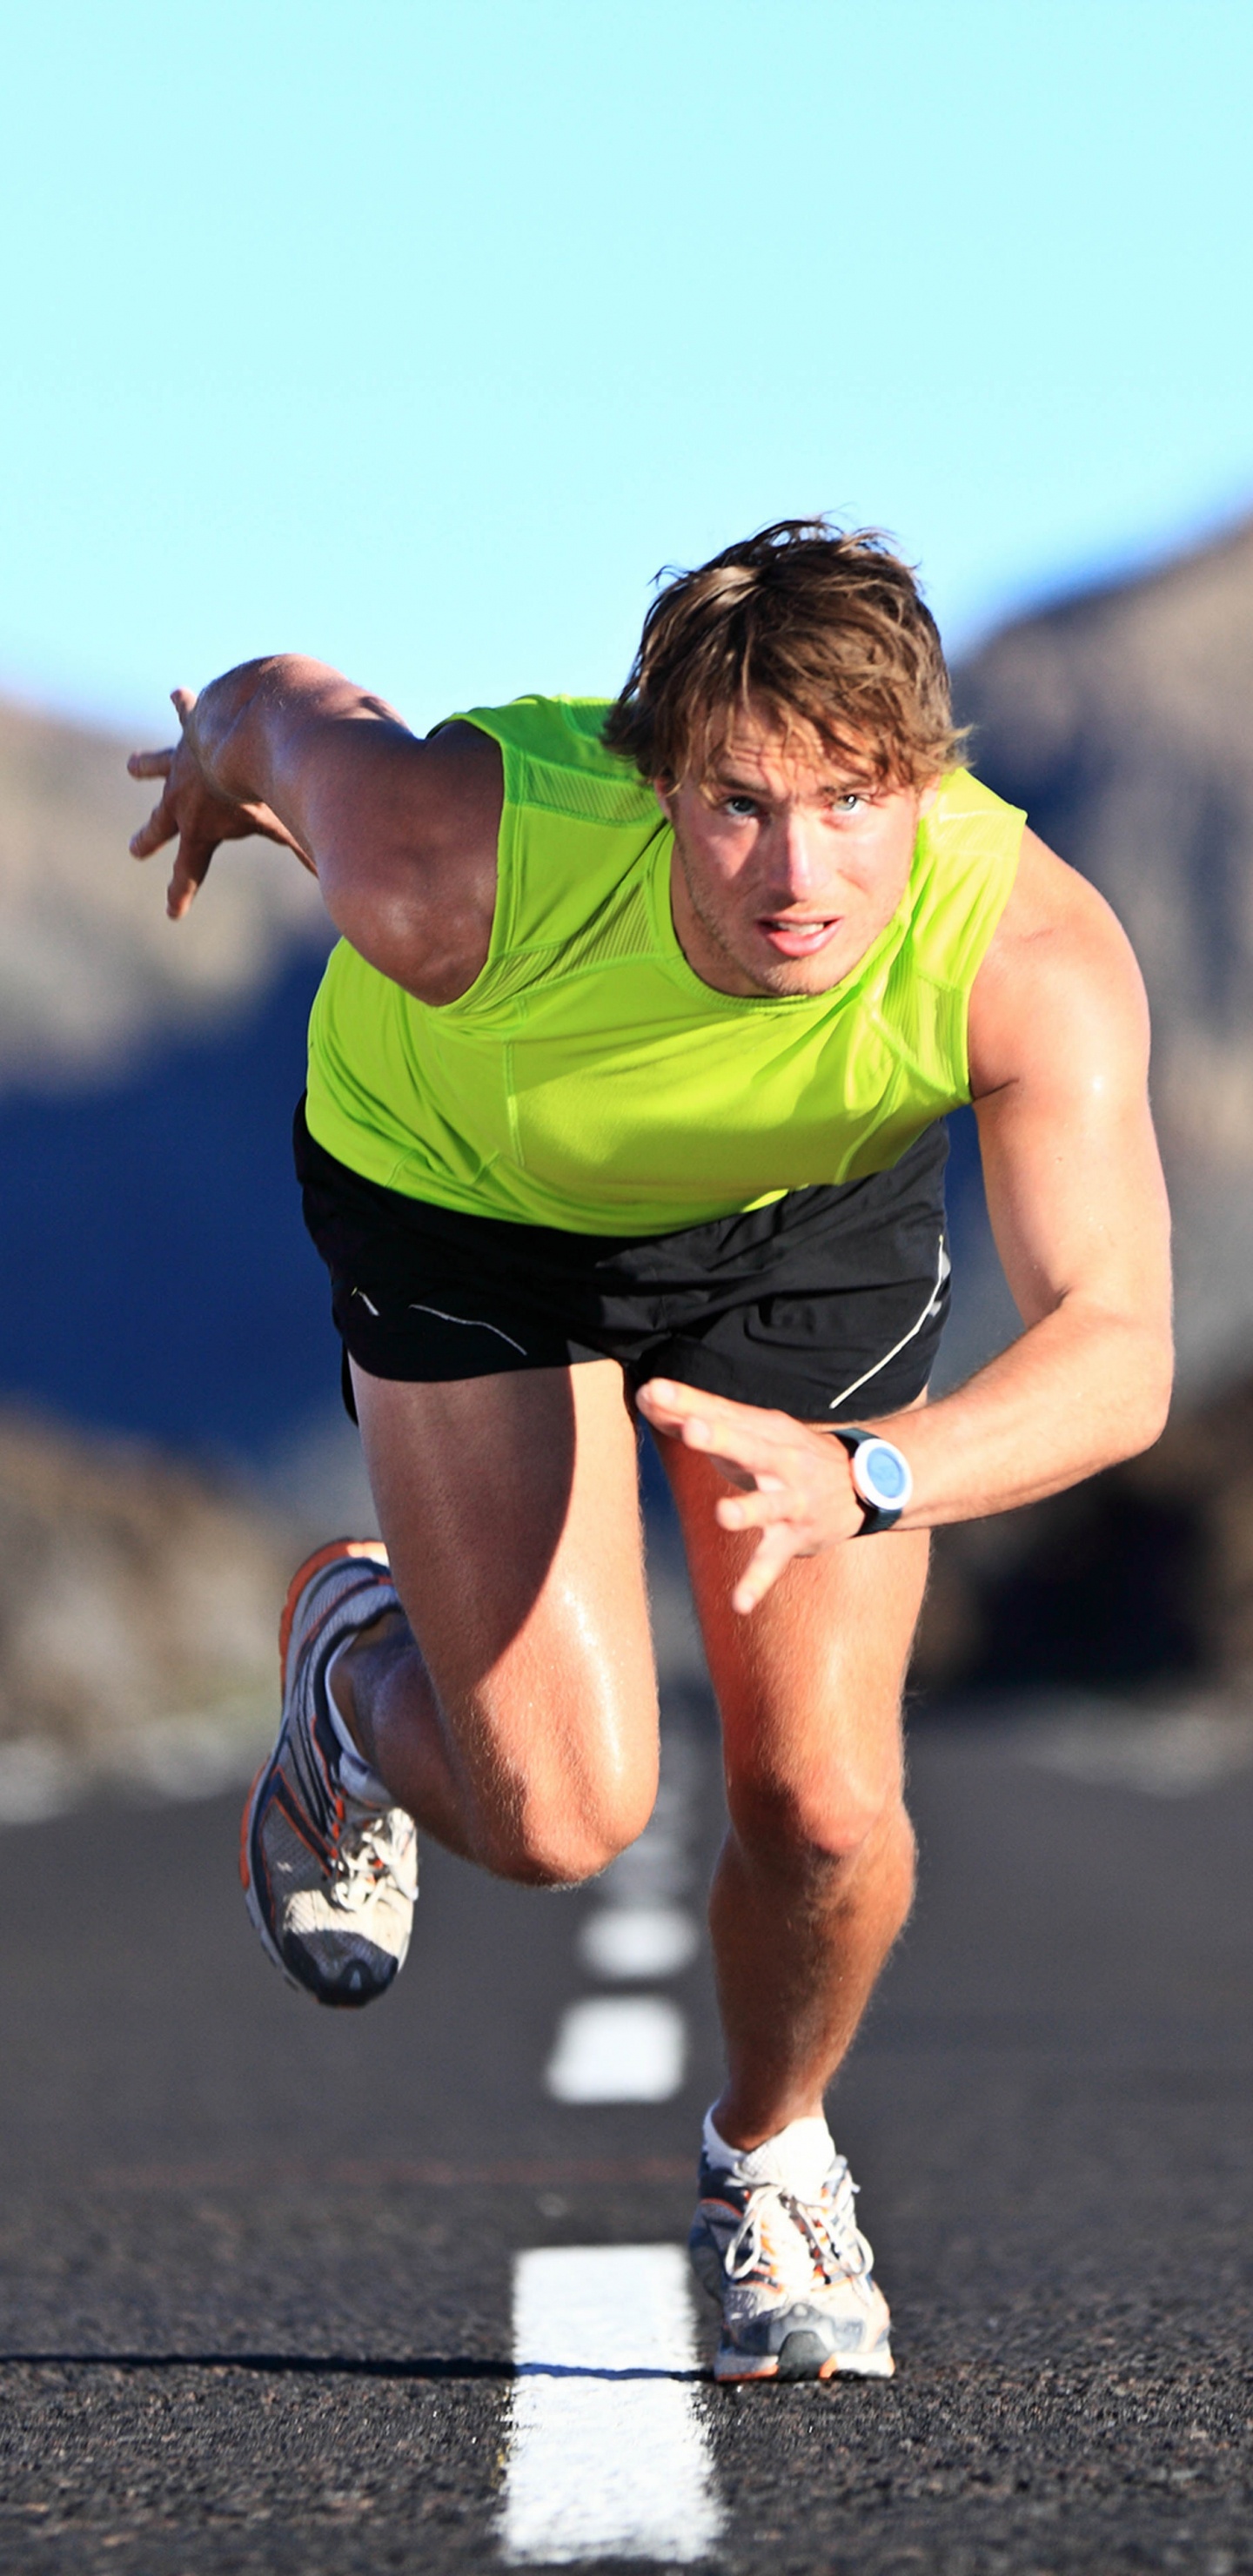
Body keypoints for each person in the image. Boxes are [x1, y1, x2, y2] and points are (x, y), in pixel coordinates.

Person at [128, 521, 1172, 2385]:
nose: (800, 874)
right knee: (556, 1816)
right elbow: (296, 722)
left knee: (831, 1806)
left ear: (925, 785)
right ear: (655, 781)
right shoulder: (453, 860)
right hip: (458, 1195)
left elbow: (1120, 1350)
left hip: (805, 1225)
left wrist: (873, 1473)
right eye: (741, 805)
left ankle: (773, 2156)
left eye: (853, 804)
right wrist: (215, 764)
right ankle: (358, 1677)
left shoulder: (1022, 944)